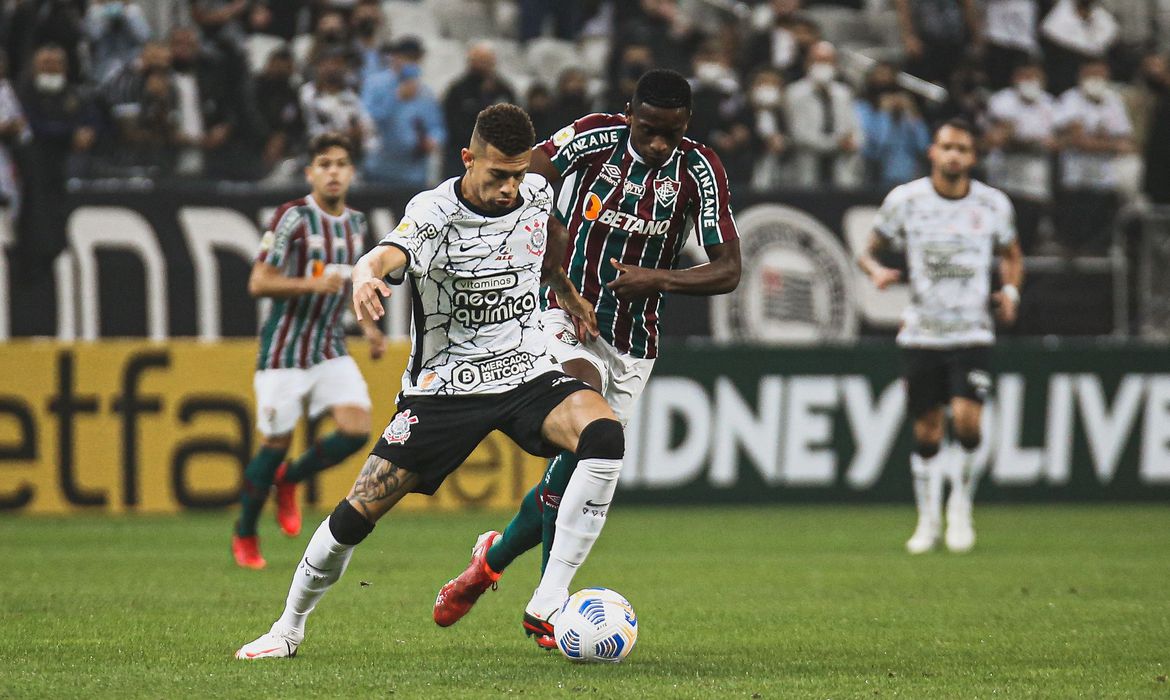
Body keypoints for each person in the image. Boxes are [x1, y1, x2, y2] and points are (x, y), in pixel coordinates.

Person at [234, 103, 621, 659]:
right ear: (468, 158)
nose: (510, 188)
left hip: (527, 370)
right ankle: (287, 629)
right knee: (357, 512)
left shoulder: (536, 192)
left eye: (517, 175)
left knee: (604, 435)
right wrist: (364, 276)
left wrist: (565, 290)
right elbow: (384, 255)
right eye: (498, 175)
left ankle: (549, 597)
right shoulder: (433, 211)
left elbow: (546, 242)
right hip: (445, 390)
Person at [431, 69, 741, 649]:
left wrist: (658, 278)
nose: (658, 144)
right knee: (588, 433)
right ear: (629, 113)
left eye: (670, 134)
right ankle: (548, 606)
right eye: (648, 129)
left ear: (687, 126)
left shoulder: (700, 169)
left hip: (634, 342)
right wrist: (551, 238)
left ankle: (488, 563)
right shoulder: (594, 135)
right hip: (564, 315)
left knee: (577, 468)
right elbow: (529, 178)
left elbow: (727, 270)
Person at [856, 120, 1024, 555]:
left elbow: (1011, 254)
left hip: (972, 330)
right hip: (922, 332)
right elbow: (867, 250)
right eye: (947, 147)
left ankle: (961, 505)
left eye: (962, 149)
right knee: (928, 432)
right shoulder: (906, 200)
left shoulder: (992, 204)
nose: (954, 155)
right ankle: (928, 519)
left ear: (973, 157)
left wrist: (1009, 292)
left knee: (968, 423)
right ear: (932, 151)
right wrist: (876, 271)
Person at [231, 131, 386, 570]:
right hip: (283, 350)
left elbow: (352, 284)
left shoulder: (356, 224)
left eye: (341, 164)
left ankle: (289, 480)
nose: (333, 172)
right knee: (275, 442)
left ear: (351, 172)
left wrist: (369, 327)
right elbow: (258, 281)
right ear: (310, 173)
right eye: (324, 164)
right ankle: (245, 531)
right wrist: (309, 284)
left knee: (357, 429)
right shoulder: (292, 217)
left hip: (329, 347)